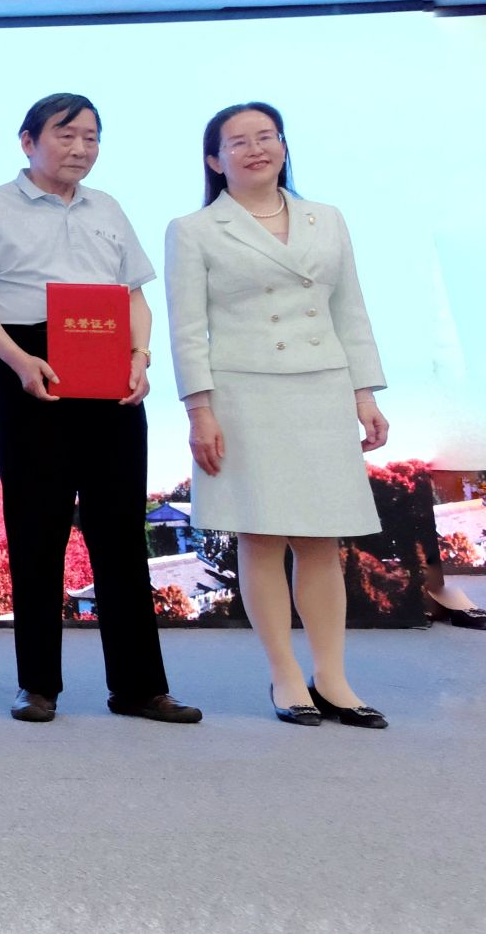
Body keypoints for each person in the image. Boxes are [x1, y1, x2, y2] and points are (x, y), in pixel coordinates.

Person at [0, 93, 202, 724]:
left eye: (91, 137)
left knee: (119, 529)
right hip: (27, 365)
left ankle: (140, 687)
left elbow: (134, 294)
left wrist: (140, 355)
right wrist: (19, 360)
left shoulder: (107, 207)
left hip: (107, 363)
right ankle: (37, 685)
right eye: (66, 135)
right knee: (36, 528)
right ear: (28, 141)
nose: (81, 148)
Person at [165, 101, 391, 728]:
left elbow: (350, 310)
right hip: (245, 396)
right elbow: (188, 330)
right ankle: (286, 676)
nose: (256, 149)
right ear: (215, 160)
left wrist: (365, 394)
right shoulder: (194, 229)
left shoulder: (327, 218)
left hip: (322, 389)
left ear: (285, 147)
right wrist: (199, 410)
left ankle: (333, 678)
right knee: (260, 535)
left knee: (322, 538)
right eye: (238, 141)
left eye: (267, 136)